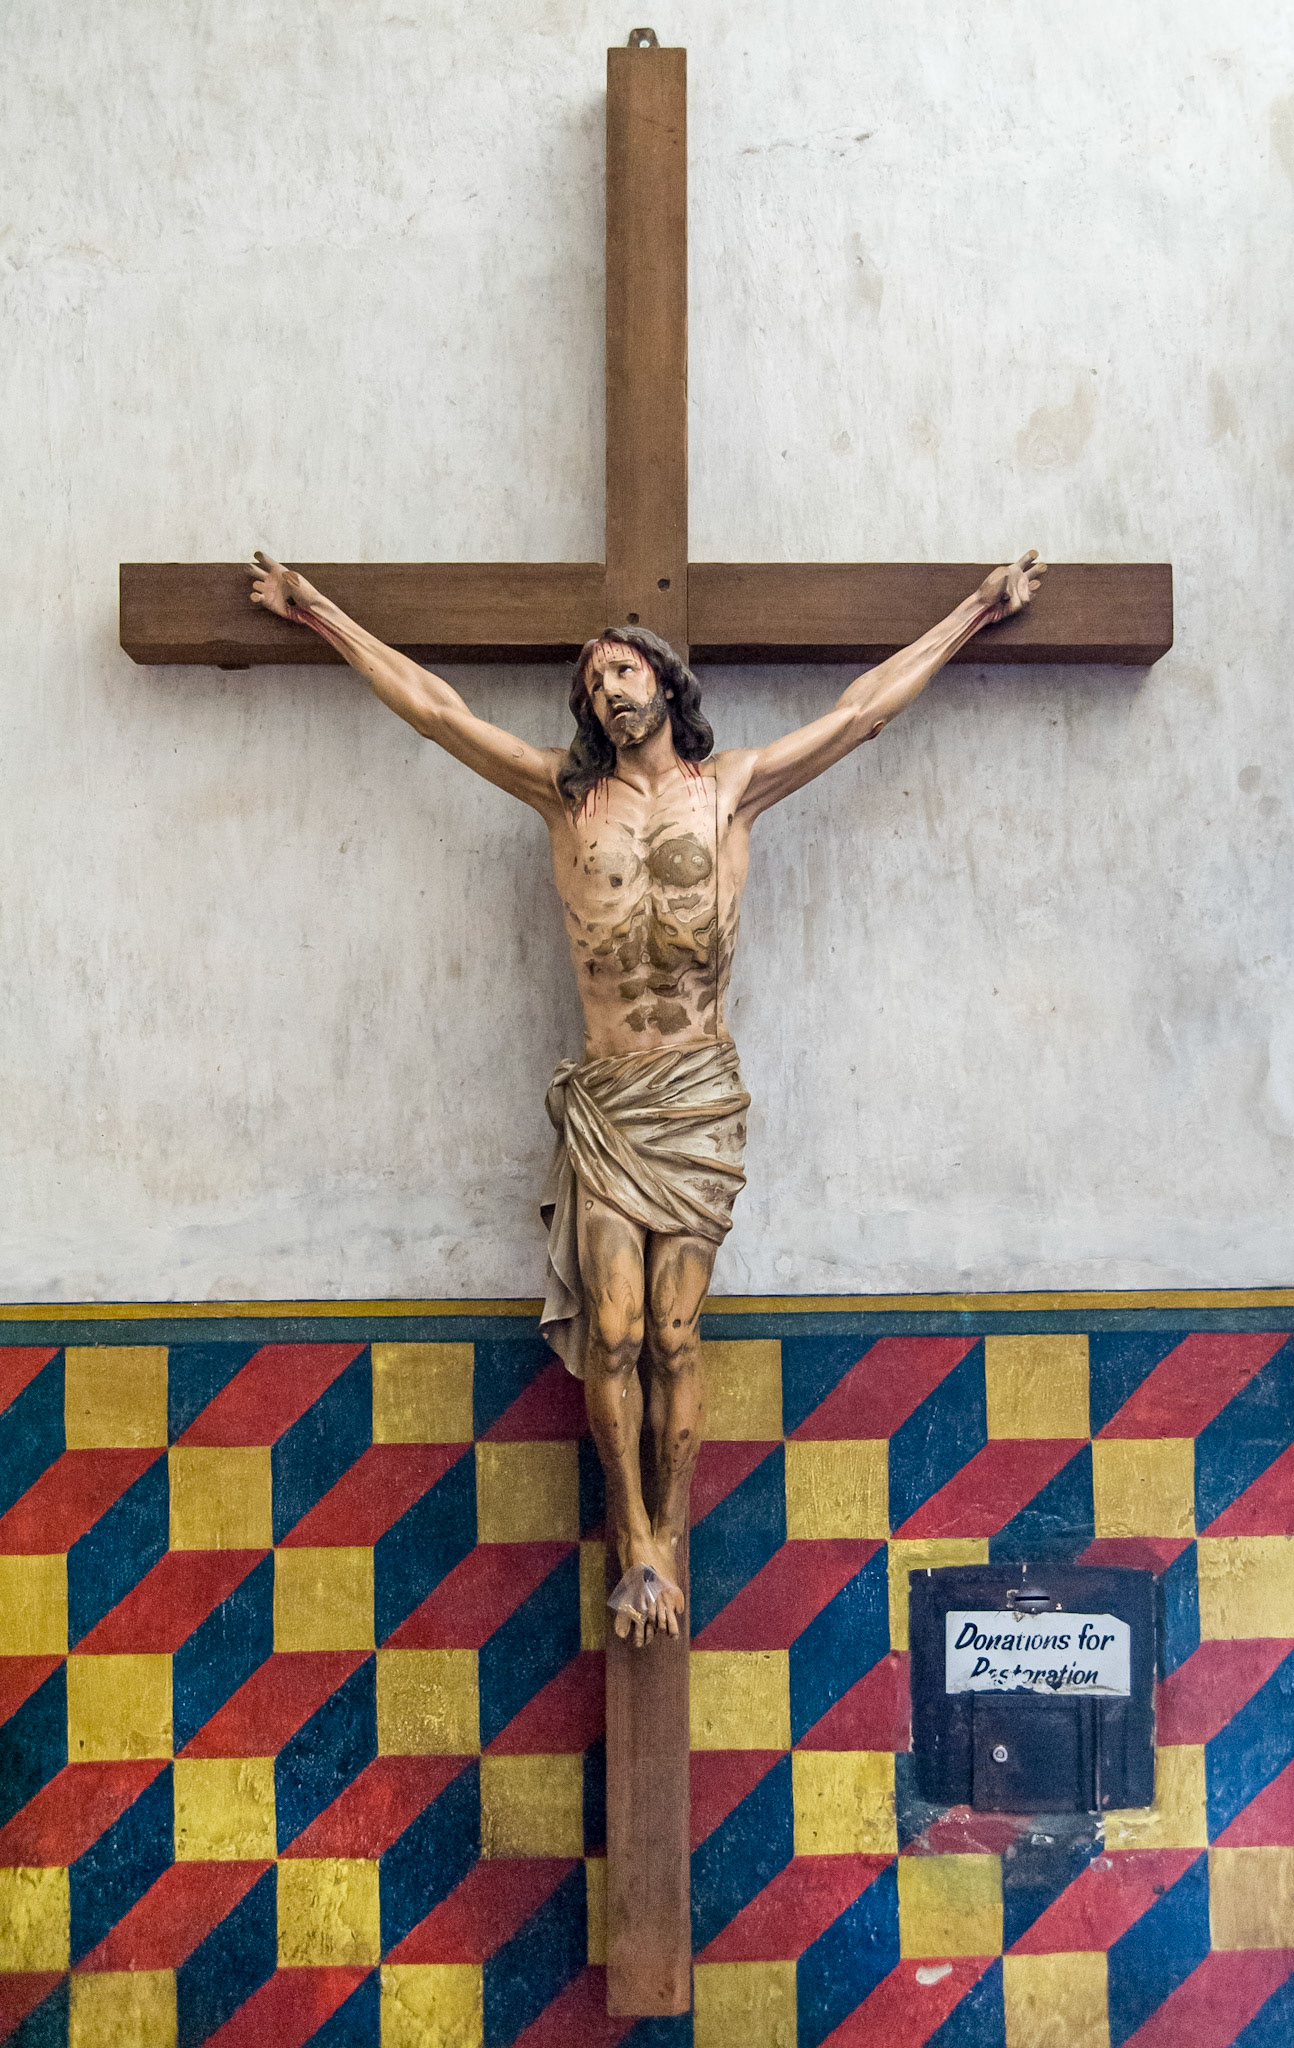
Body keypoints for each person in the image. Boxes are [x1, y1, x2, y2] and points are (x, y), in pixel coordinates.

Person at [248, 548, 1046, 1645]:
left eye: (621, 669)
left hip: (696, 1097)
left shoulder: (732, 789)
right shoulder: (564, 795)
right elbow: (436, 711)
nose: (605, 690)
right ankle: (634, 1543)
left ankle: (669, 1535)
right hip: (613, 1101)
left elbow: (861, 712)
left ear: (666, 681)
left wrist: (973, 613)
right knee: (615, 1332)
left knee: (675, 1334)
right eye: (592, 682)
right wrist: (318, 614)